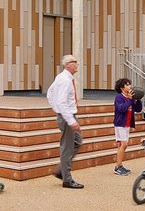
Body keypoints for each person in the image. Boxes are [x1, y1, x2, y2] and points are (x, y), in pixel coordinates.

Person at [46, 54, 84, 189]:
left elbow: (50, 93)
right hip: (68, 116)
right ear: (67, 64)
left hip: (69, 114)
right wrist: (68, 119)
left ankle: (61, 170)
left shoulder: (64, 78)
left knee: (78, 142)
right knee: (67, 148)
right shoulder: (64, 80)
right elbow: (60, 101)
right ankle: (67, 179)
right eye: (75, 62)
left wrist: (57, 108)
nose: (77, 64)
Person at [113, 78, 143, 176]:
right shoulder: (119, 97)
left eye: (130, 84)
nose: (130, 86)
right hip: (120, 124)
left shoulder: (131, 97)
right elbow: (122, 109)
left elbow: (138, 109)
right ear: (122, 88)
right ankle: (118, 167)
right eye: (127, 85)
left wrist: (138, 99)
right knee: (124, 145)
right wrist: (130, 100)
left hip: (126, 125)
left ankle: (119, 165)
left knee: (121, 146)